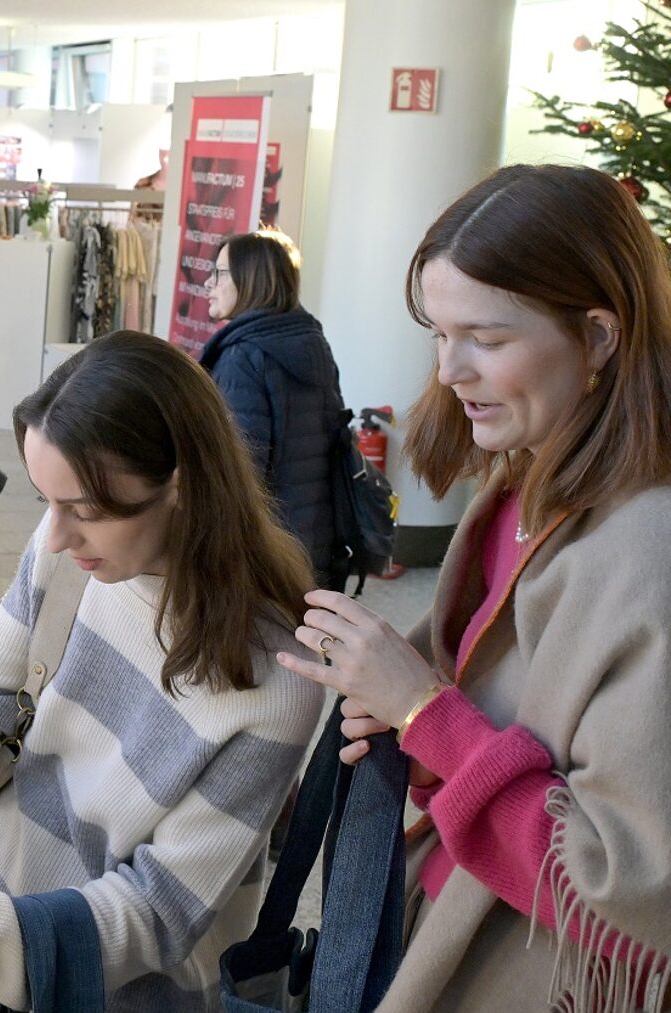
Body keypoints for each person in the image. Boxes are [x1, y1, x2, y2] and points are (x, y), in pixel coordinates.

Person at [0, 331, 324, 1010]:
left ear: (182, 486)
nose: (57, 535)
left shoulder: (275, 678)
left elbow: (162, 910)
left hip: (101, 988)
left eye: (84, 510)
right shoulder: (66, 555)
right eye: (46, 502)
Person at [280, 164, 671, 1011]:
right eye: (438, 333)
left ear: (600, 336)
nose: (452, 369)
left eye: (486, 339)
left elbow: (631, 896)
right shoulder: (518, 488)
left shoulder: (649, 553)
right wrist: (404, 719)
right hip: (459, 929)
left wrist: (425, 711)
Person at [199, 230, 346, 590]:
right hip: (313, 533)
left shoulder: (242, 357)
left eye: (219, 273)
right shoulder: (311, 342)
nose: (208, 284)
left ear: (250, 280)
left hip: (266, 545)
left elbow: (240, 469)